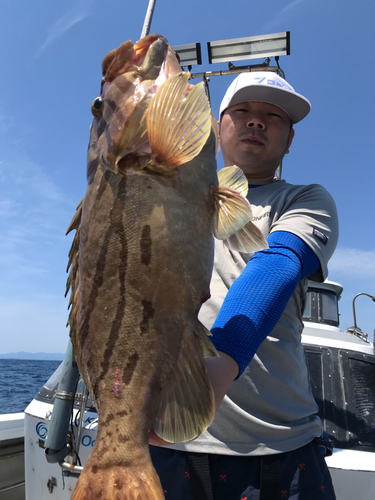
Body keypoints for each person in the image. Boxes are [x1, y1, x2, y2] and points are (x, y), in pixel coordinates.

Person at [149, 71, 338, 499]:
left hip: (281, 448)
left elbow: (280, 261)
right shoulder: (170, 194)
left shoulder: (305, 199)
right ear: (217, 127)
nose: (256, 122)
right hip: (169, 438)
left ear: (289, 140)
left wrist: (225, 361)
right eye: (243, 111)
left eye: (273, 116)